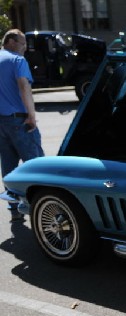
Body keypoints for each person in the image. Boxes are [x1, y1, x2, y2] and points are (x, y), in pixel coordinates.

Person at [0, 29, 44, 222]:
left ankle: (14, 208)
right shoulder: (17, 60)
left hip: (1, 122)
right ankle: (43, 207)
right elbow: (24, 86)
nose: (25, 48)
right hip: (19, 119)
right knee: (37, 165)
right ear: (10, 41)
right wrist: (32, 116)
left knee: (8, 165)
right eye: (22, 43)